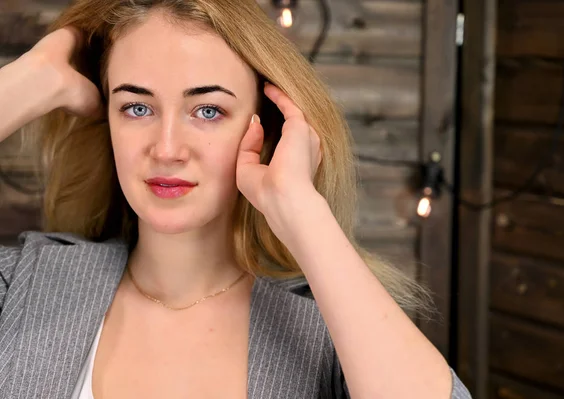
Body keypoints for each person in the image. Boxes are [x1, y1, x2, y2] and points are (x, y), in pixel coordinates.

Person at [0, 0, 472, 398]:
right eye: (136, 107)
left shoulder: (333, 328)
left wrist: (302, 211)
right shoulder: (22, 284)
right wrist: (31, 80)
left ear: (266, 130)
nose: (166, 149)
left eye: (208, 110)